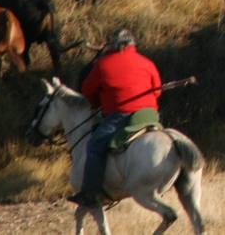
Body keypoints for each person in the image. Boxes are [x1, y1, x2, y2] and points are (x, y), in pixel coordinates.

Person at [68, 28, 163, 208]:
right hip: (149, 115)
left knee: (95, 146)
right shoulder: (147, 62)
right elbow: (157, 91)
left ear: (114, 45)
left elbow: (88, 92)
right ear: (133, 44)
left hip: (120, 116)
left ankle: (91, 194)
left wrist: (99, 103)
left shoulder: (103, 65)